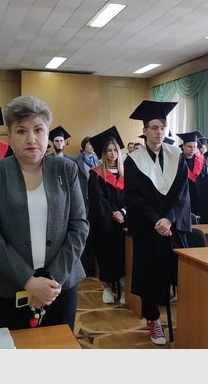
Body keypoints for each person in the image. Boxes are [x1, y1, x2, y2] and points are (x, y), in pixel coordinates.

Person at [0, 95, 88, 331]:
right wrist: (28, 281)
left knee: (58, 349)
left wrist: (51, 280)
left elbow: (79, 226)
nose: (31, 139)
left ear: (48, 133)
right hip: (6, 288)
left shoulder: (66, 169)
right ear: (9, 135)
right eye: (21, 131)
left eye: (38, 130)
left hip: (59, 288)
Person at [124, 100, 191, 345]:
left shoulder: (177, 155)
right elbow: (134, 198)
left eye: (162, 127)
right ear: (144, 130)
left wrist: (170, 218)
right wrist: (156, 220)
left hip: (172, 227)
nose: (159, 131)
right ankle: (153, 320)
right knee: (150, 277)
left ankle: (187, 319)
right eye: (154, 127)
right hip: (148, 228)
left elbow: (182, 191)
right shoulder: (133, 160)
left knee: (179, 274)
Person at [87, 126, 126, 304]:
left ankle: (124, 289)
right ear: (103, 153)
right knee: (107, 255)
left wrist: (123, 212)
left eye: (115, 150)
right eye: (109, 150)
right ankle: (107, 287)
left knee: (125, 256)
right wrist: (113, 212)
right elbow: (98, 200)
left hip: (125, 222)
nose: (112, 153)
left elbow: (133, 197)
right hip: (105, 223)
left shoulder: (127, 174)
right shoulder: (96, 175)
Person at [74, 135, 99, 275]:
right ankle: (83, 265)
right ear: (84, 146)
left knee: (93, 234)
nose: (92, 146)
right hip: (82, 200)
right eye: (89, 144)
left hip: (95, 202)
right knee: (82, 233)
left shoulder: (98, 161)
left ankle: (93, 266)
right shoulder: (75, 161)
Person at [176, 131, 206, 216]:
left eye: (195, 147)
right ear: (183, 146)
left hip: (198, 197)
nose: (192, 149)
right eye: (189, 146)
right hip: (182, 196)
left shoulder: (202, 161)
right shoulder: (177, 160)